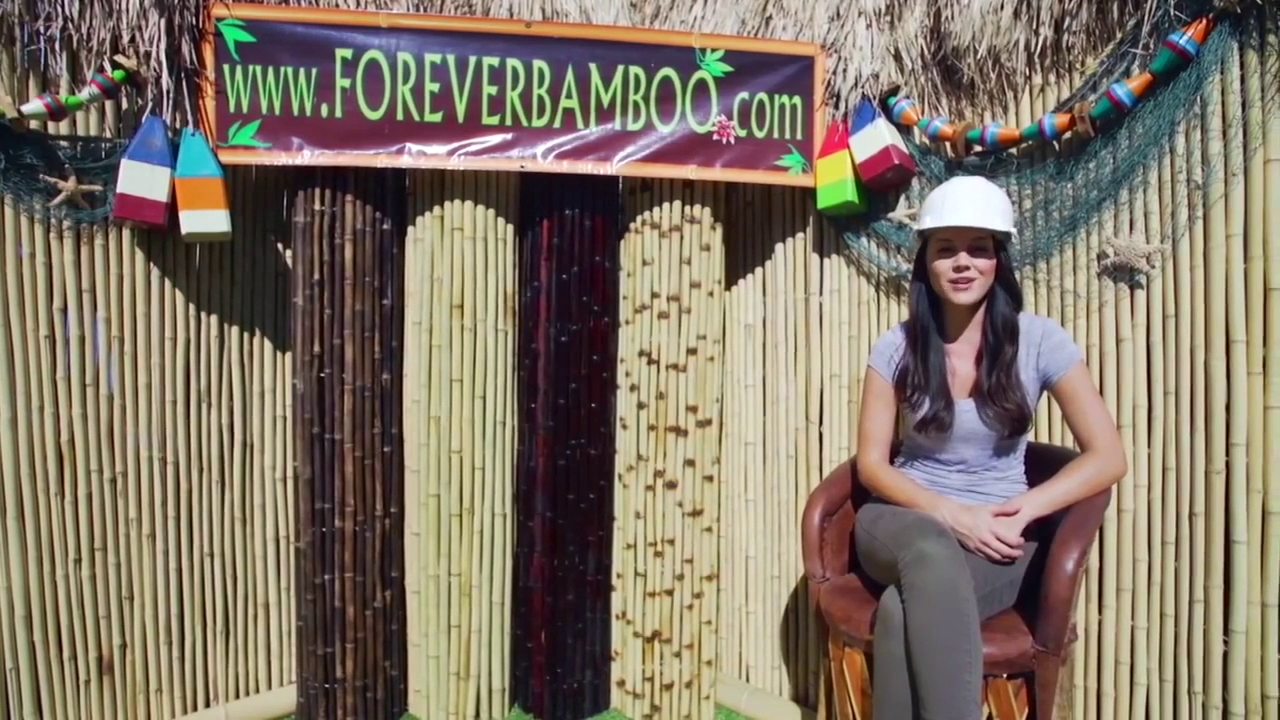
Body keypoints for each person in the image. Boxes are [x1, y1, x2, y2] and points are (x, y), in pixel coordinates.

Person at [853, 176, 1126, 719]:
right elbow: (871, 464)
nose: (963, 263)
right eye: (945, 249)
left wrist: (1021, 511)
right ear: (926, 262)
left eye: (978, 248)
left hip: (997, 534)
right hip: (901, 519)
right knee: (930, 546)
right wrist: (952, 514)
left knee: (898, 611)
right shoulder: (896, 346)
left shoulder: (1041, 341)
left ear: (998, 261)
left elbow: (1108, 456)